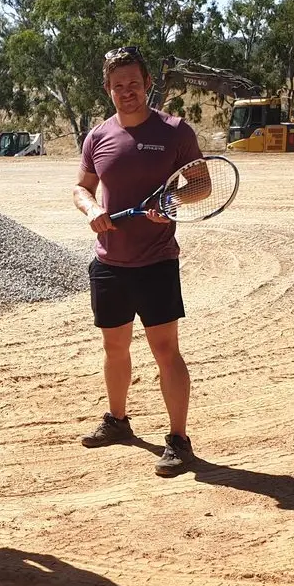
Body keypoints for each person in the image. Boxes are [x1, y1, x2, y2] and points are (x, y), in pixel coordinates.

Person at [72, 46, 203, 477]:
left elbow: (201, 184)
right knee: (114, 347)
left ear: (147, 83)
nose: (126, 91)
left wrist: (171, 199)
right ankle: (118, 421)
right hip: (110, 261)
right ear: (107, 89)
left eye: (134, 83)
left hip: (156, 261)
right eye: (118, 85)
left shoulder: (175, 131)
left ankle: (179, 441)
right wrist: (92, 210)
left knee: (166, 351)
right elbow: (81, 188)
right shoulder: (97, 137)